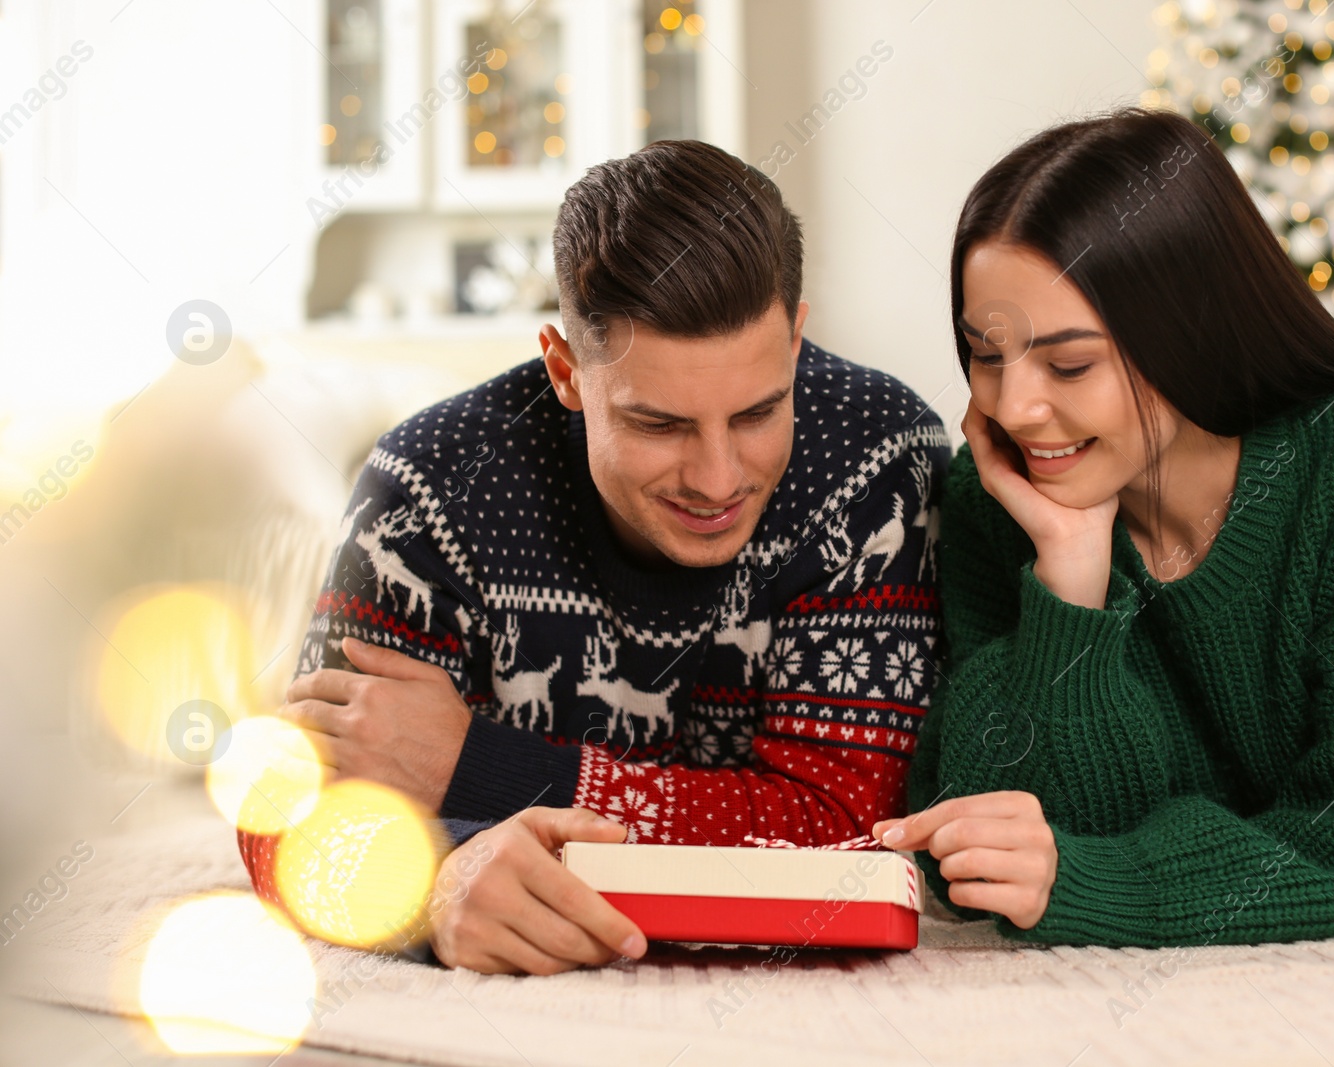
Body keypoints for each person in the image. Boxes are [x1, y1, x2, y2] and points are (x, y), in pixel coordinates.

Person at [238, 139, 950, 974]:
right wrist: (432, 888)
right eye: (659, 424)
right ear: (566, 368)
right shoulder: (430, 484)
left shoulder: (877, 458)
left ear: (796, 340)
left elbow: (858, 836)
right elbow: (282, 819)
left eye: (758, 413)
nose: (718, 477)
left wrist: (473, 765)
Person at [871, 107, 1334, 946]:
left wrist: (1101, 879)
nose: (1014, 407)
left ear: (1192, 331)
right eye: (985, 354)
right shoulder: (1000, 497)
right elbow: (984, 844)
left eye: (1070, 363)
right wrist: (1070, 572)